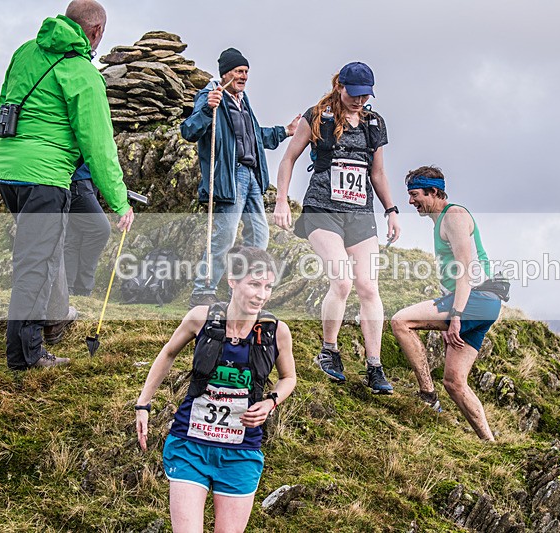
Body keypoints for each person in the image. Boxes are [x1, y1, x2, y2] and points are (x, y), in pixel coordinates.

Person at [0, 0, 133, 370]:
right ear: (96, 31)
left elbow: (7, 101)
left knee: (45, 253)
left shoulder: (26, 51)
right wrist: (119, 201)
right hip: (44, 176)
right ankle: (26, 356)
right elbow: (99, 146)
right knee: (35, 265)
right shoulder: (82, 73)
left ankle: (55, 318)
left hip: (6, 168)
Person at [135, 247, 296, 533]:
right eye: (254, 284)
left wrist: (271, 402)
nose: (261, 295)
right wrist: (143, 404)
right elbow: (168, 353)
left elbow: (289, 378)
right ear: (232, 281)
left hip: (241, 452)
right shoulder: (201, 317)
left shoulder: (276, 331)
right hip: (190, 445)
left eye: (268, 287)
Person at [274, 62, 400, 394]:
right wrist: (281, 200)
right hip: (322, 210)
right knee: (342, 280)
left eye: (365, 95)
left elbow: (378, 173)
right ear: (339, 86)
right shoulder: (317, 116)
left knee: (368, 287)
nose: (359, 100)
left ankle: (374, 366)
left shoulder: (374, 123)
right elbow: (289, 158)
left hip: (360, 213)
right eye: (354, 94)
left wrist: (391, 210)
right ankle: (329, 351)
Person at [181, 47, 300, 308]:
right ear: (225, 74)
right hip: (230, 175)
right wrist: (207, 109)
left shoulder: (243, 102)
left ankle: (244, 291)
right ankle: (202, 291)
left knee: (259, 236)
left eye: (246, 71)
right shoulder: (211, 95)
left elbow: (256, 137)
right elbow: (189, 130)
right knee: (225, 235)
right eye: (238, 71)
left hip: (252, 176)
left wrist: (286, 131)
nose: (244, 76)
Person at [391, 166, 502, 441]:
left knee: (400, 321)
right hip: (480, 303)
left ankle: (427, 394)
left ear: (433, 192)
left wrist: (455, 316)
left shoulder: (454, 215)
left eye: (415, 194)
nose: (410, 201)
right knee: (454, 382)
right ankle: (489, 441)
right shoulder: (440, 220)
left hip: (476, 298)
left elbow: (466, 270)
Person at [64, 163, 112, 296]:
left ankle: (68, 289)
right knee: (100, 229)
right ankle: (81, 289)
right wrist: (120, 203)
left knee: (73, 236)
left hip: (84, 178)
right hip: (78, 179)